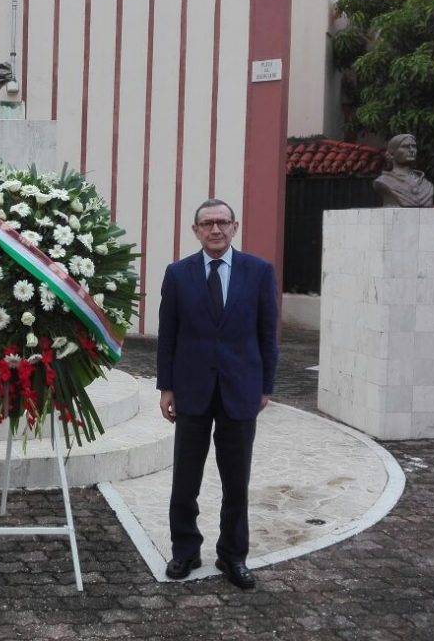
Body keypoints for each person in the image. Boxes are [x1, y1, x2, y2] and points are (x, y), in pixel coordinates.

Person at [156, 199, 278, 590]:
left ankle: (232, 556)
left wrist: (266, 387)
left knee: (236, 481)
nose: (215, 230)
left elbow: (267, 334)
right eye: (207, 223)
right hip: (192, 390)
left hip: (240, 391)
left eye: (222, 222)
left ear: (234, 226)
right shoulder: (178, 274)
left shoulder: (259, 272)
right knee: (185, 479)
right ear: (196, 230)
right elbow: (168, 336)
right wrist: (166, 386)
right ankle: (185, 551)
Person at [372, 133, 434, 207]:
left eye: (414, 146)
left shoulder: (426, 185)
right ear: (392, 154)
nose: (412, 150)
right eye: (405, 147)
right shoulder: (384, 181)